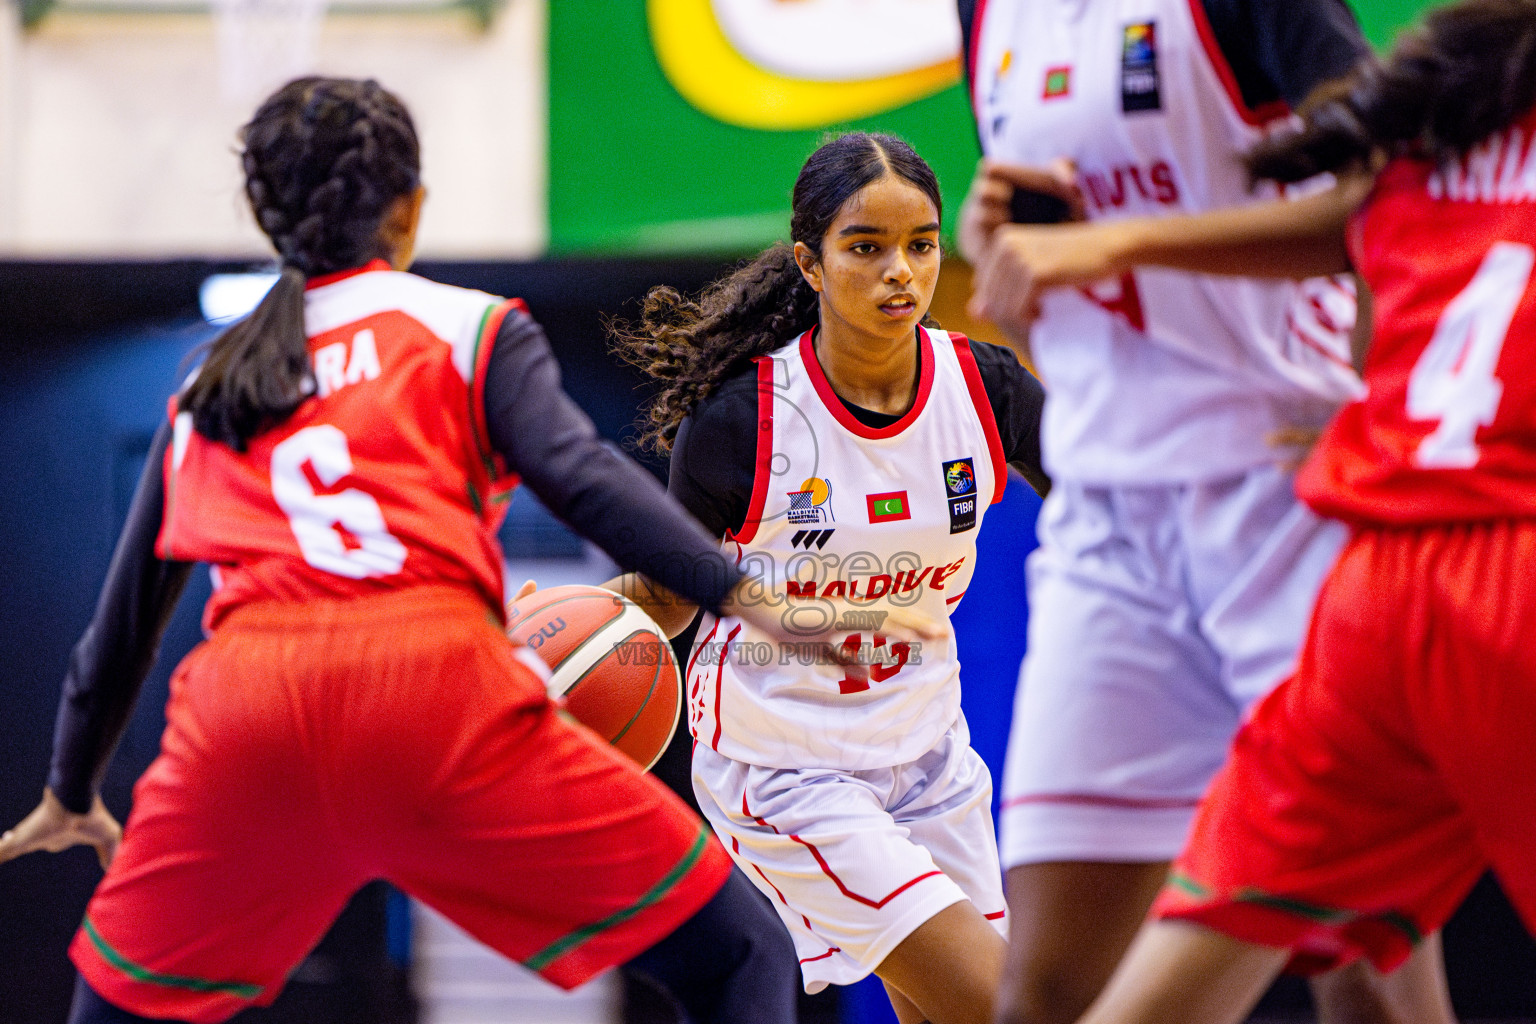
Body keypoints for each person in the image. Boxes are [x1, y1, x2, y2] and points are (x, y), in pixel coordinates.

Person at [0, 76, 849, 1024]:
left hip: (249, 715)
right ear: (410, 210)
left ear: (262, 212)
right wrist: (747, 594)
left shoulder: (209, 388)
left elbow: (114, 638)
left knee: (112, 1007)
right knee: (744, 955)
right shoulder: (467, 328)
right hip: (434, 694)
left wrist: (71, 788)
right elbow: (585, 480)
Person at [966, 1, 1536, 1020]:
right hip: (1110, 513)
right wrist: (999, 238)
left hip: (1285, 504)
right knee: (1045, 987)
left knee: (1363, 975)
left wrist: (1377, 394)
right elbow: (1047, 229)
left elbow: (1381, 194)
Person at [607, 131, 1050, 1024]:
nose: (901, 272)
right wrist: (558, 625)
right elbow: (667, 594)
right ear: (810, 263)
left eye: (921, 244)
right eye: (866, 247)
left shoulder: (984, 390)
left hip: (930, 753)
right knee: (1008, 1005)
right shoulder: (747, 421)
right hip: (784, 766)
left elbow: (1116, 509)